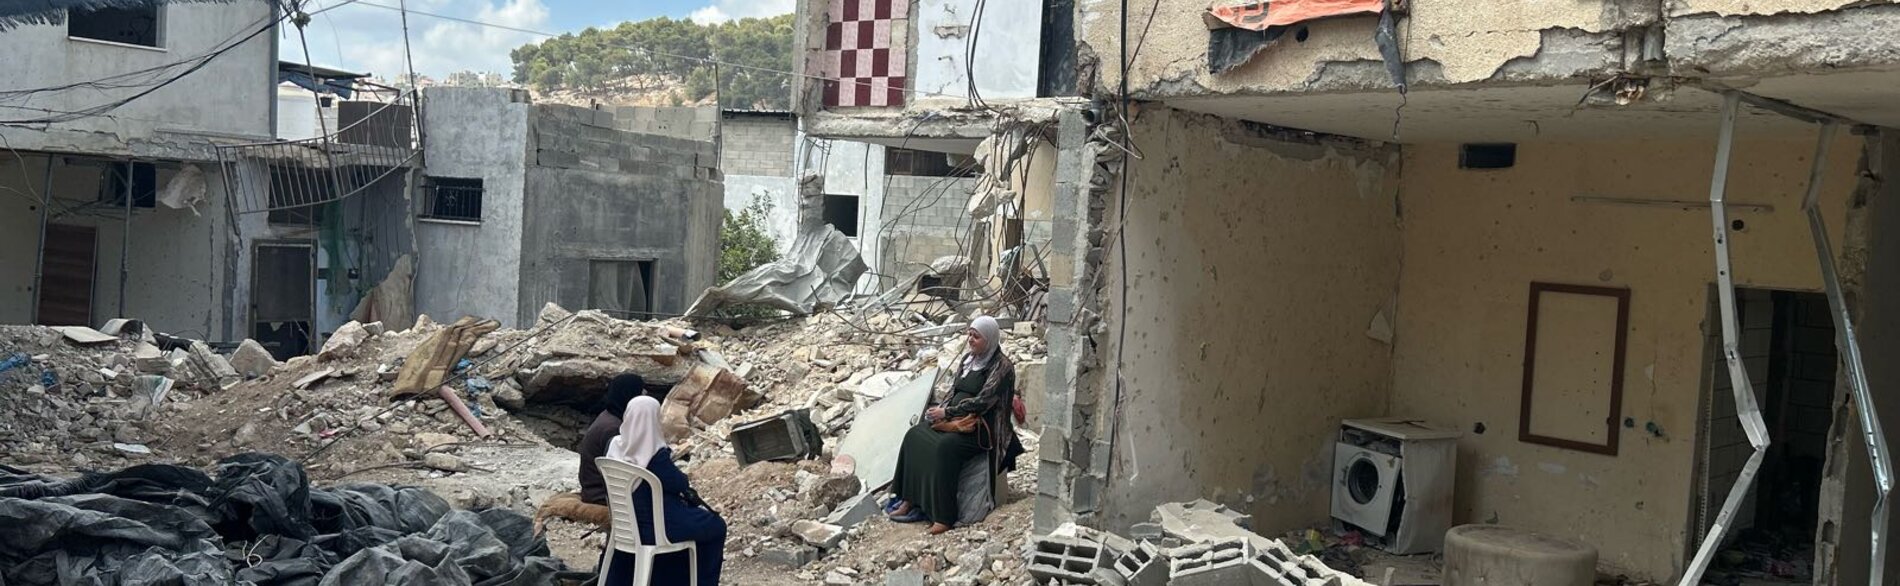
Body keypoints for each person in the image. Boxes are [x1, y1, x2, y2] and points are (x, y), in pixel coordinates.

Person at [886, 315, 1016, 535]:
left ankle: (944, 516)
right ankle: (909, 498)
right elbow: (955, 391)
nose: (971, 340)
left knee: (944, 448)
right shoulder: (969, 359)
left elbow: (983, 402)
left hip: (982, 428)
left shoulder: (1002, 367)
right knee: (914, 436)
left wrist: (947, 412)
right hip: (956, 419)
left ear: (990, 339)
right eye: (970, 335)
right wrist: (940, 414)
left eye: (977, 337)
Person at [600, 396, 727, 585]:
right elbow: (680, 484)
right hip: (654, 527)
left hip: (625, 525)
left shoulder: (613, 447)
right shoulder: (654, 454)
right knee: (716, 526)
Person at [578, 374, 646, 506]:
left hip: (595, 490)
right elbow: (619, 471)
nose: (645, 393)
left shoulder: (610, 416)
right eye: (641, 390)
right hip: (600, 495)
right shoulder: (613, 428)